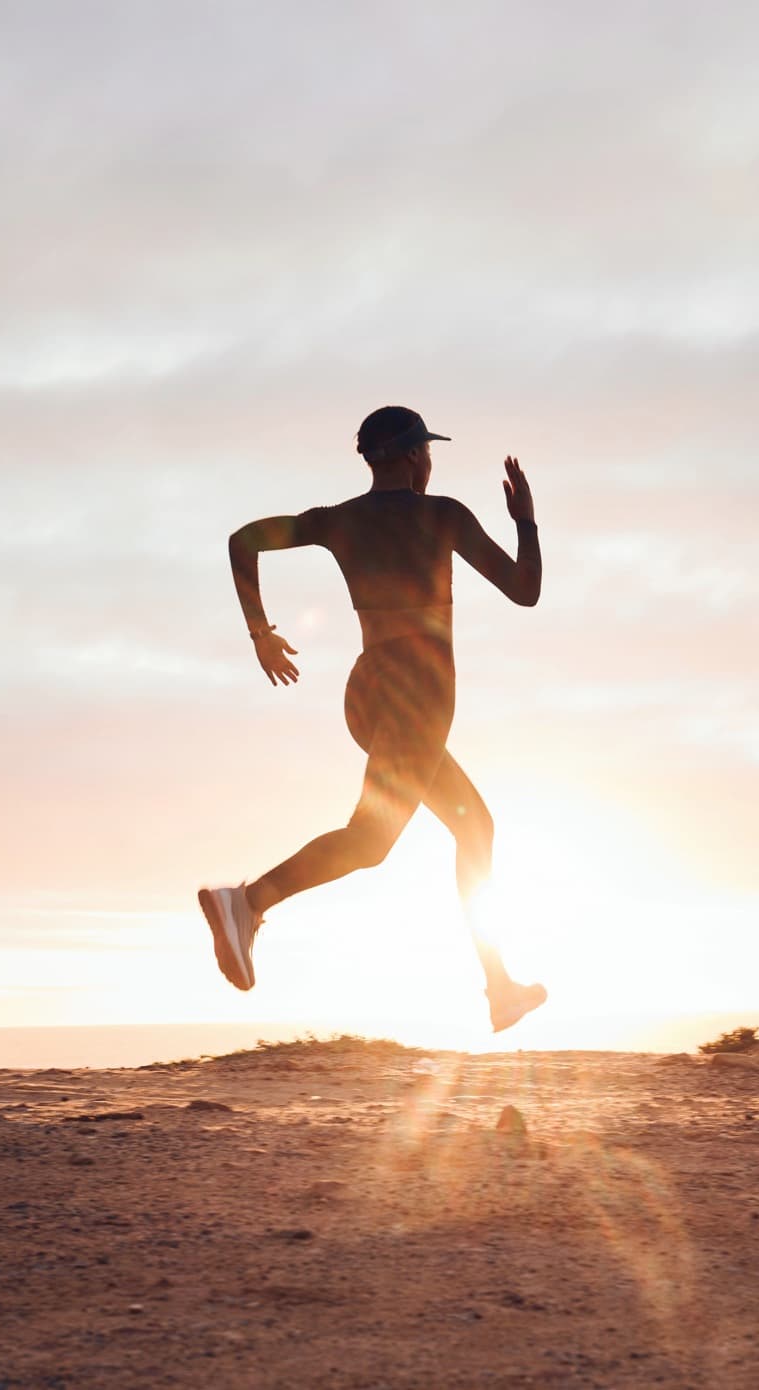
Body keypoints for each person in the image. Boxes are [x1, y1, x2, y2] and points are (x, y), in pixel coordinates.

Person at [198, 405, 549, 1033]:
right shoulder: (442, 515)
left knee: (475, 828)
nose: (431, 462)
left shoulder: (341, 521)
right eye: (428, 452)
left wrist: (260, 633)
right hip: (420, 692)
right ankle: (246, 903)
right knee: (371, 840)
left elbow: (241, 540)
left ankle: (500, 988)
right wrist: (525, 522)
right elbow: (525, 589)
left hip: (368, 693)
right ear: (415, 456)